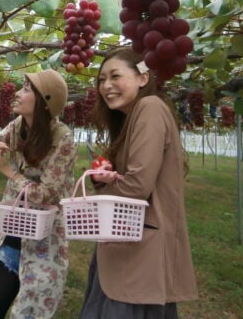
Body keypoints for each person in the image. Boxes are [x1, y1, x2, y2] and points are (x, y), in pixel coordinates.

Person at [79, 46, 198, 319]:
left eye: (115, 76)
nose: (106, 86)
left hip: (141, 245)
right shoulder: (135, 116)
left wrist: (105, 189)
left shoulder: (150, 107)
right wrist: (105, 177)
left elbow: (137, 186)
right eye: (101, 80)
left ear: (143, 78)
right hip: (132, 240)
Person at [0, 69, 78, 319]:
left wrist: (10, 172)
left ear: (45, 100)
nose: (17, 93)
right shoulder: (16, 128)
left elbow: (46, 195)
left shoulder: (63, 139)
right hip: (10, 241)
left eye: (26, 89)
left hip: (43, 246)